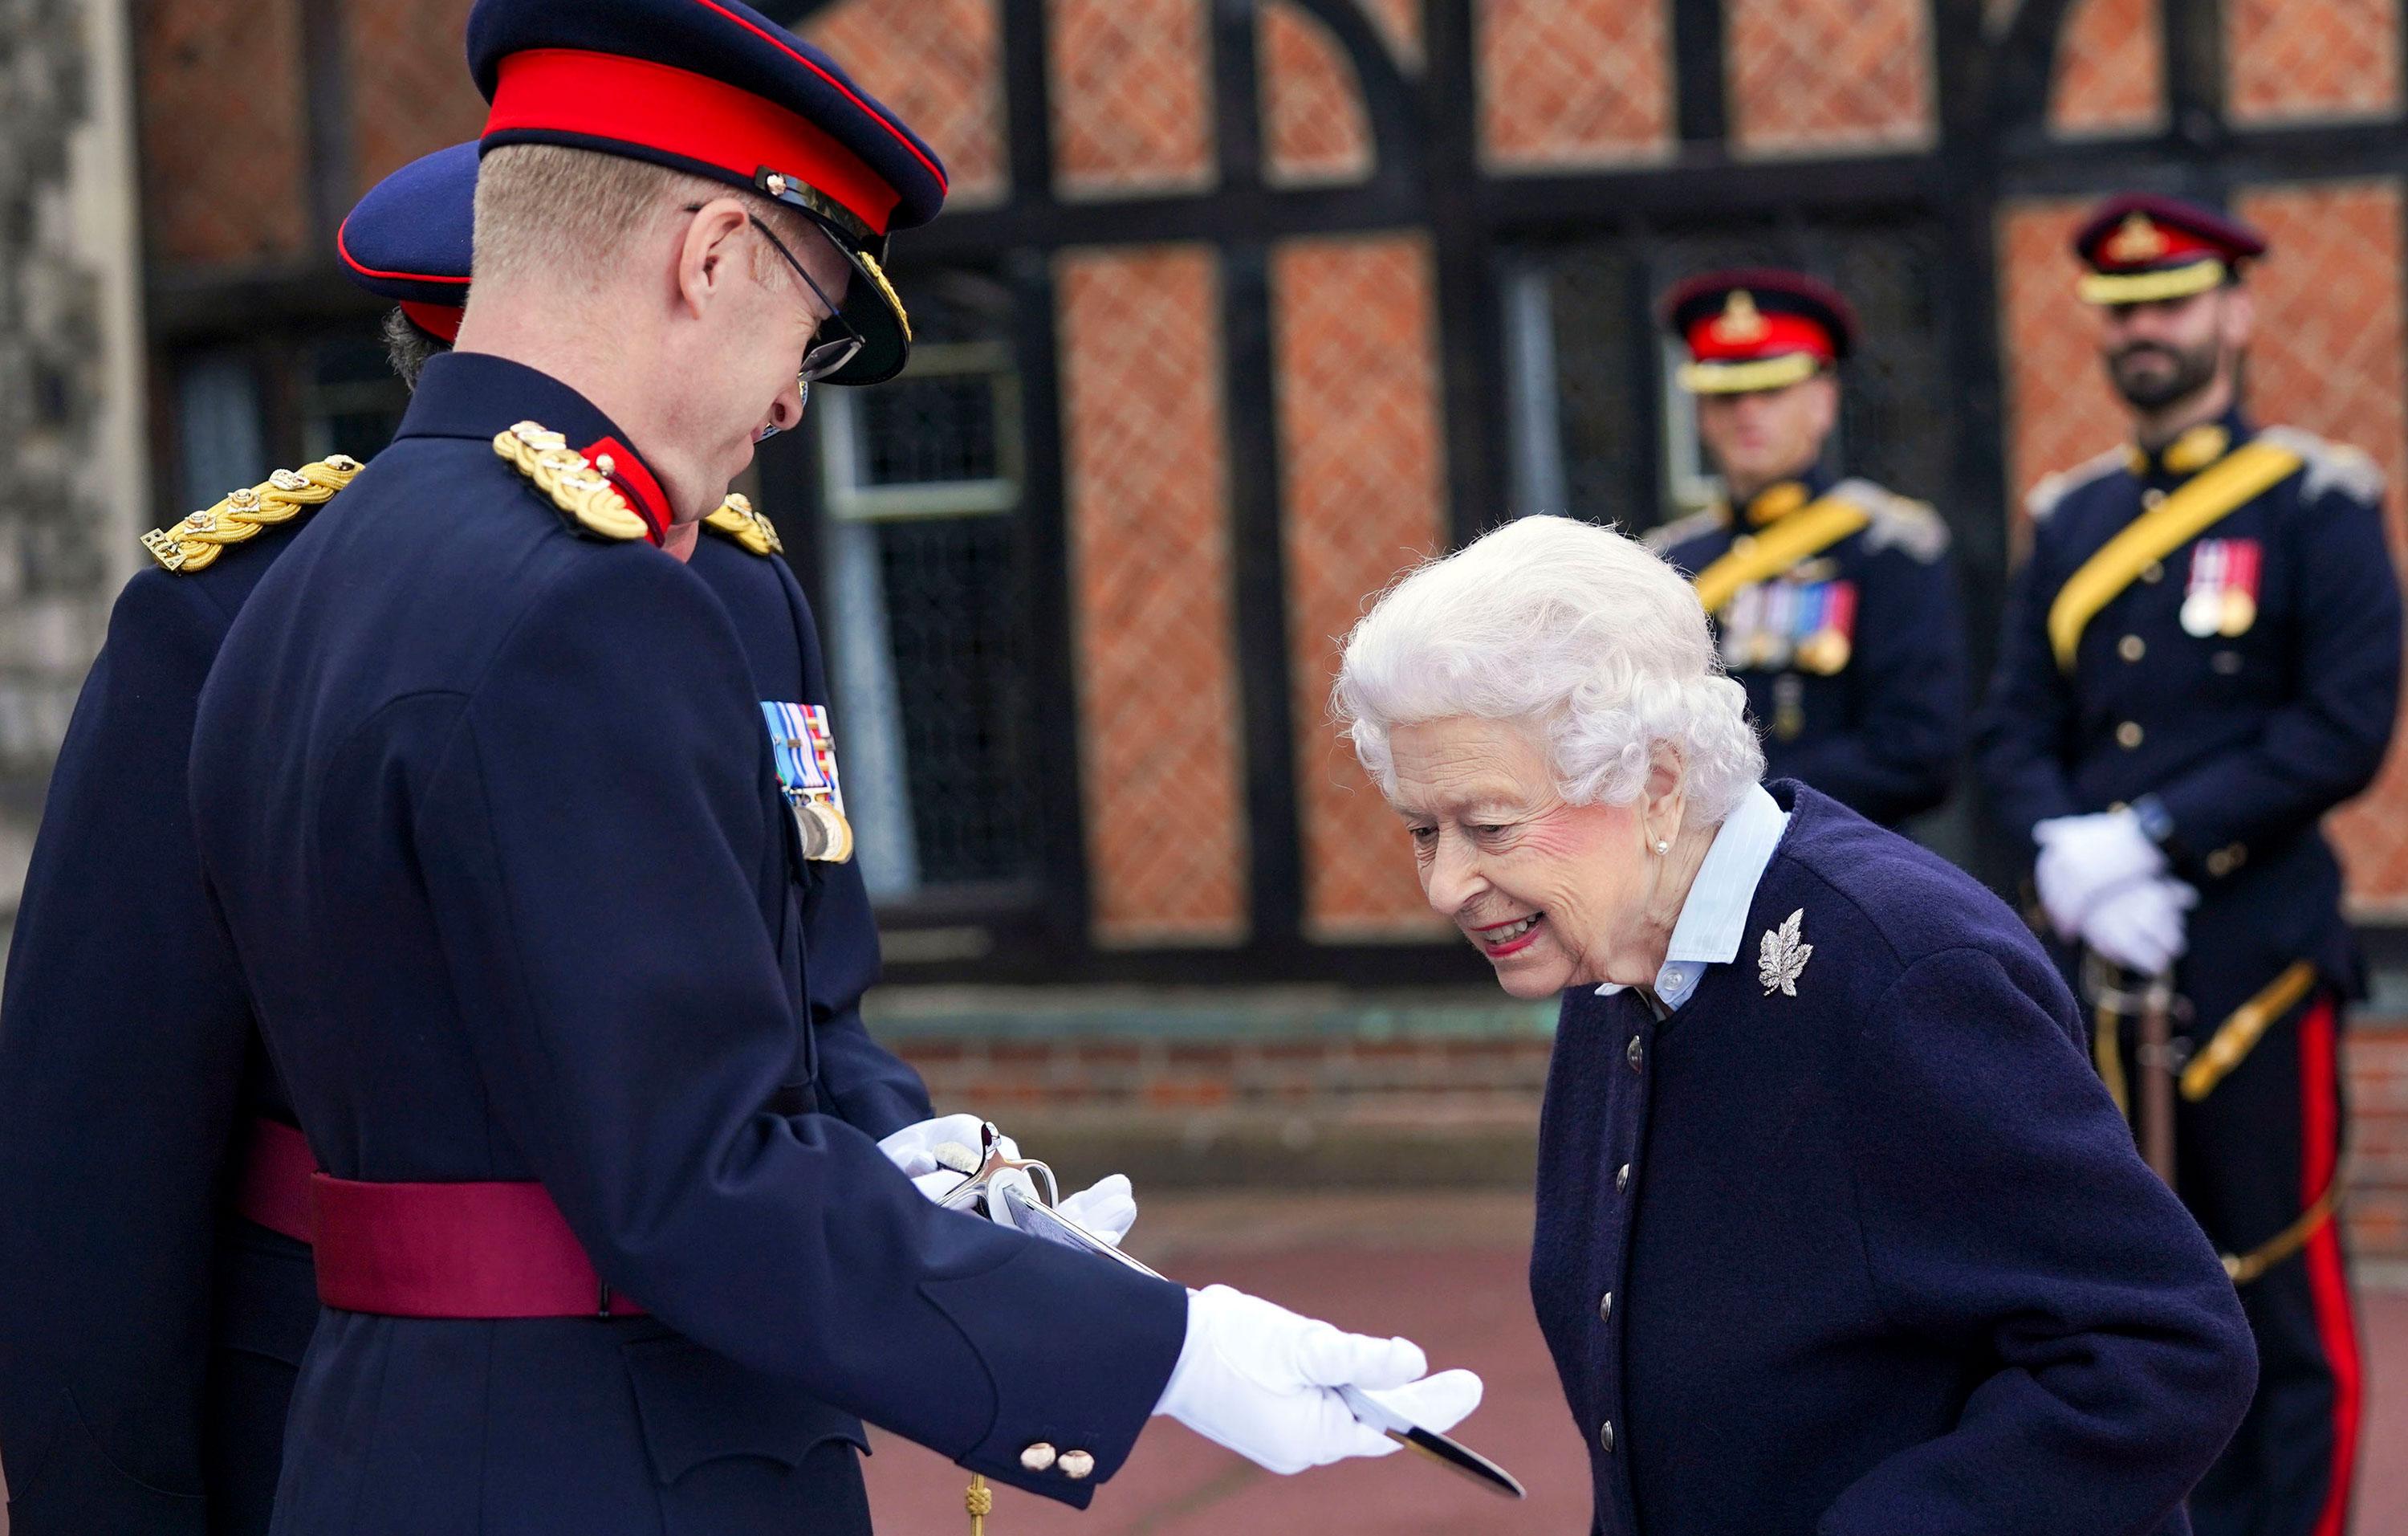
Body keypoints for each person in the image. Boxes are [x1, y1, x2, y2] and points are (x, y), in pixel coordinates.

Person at [181, 2, 1479, 1530]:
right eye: (814, 321)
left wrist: (910, 1169)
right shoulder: (582, 597)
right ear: (714, 254)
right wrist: (1162, 1347)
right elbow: (690, 1172)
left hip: (391, 1434)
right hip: (611, 1459)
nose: (795, 395)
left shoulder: (311, 575)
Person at [0, 136, 1107, 1531]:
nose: (779, 405)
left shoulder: (740, 595)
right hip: (368, 1399)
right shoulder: (237, 611)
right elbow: (98, 1143)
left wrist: (930, 1168)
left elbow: (806, 1005)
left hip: (736, 1405)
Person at [1332, 513, 2256, 1535]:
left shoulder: (1902, 969)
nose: (1449, 883)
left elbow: (2161, 1348)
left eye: (1491, 825)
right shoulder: (1614, 957)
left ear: (1658, 783)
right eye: (1424, 831)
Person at [1977, 193, 2401, 1536]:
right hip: (2097, 962)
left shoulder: (2317, 504)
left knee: (2281, 1291)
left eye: (2171, 300)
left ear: (2237, 310)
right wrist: (2066, 848)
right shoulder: (2072, 515)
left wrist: (2155, 837)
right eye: (2123, 307)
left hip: (2255, 961)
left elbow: (2342, 724)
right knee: (2129, 1297)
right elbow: (2015, 720)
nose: (2144, 328)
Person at [1644, 269, 1965, 828]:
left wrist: (1737, 802)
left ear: (1823, 401)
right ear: (1699, 411)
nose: (1746, 411)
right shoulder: (1669, 562)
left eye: (1770, 390)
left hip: (1835, 858)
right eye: (1725, 394)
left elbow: (1919, 751)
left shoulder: (1886, 546)